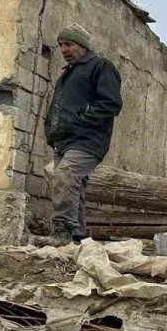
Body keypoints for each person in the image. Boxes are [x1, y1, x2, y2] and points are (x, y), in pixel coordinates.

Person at [42, 24, 123, 245]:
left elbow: (111, 104)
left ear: (83, 46)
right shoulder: (68, 74)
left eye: (68, 44)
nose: (63, 49)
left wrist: (82, 118)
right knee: (71, 183)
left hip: (87, 140)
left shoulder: (101, 66)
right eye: (60, 45)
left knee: (66, 175)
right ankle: (75, 236)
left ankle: (62, 231)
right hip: (64, 141)